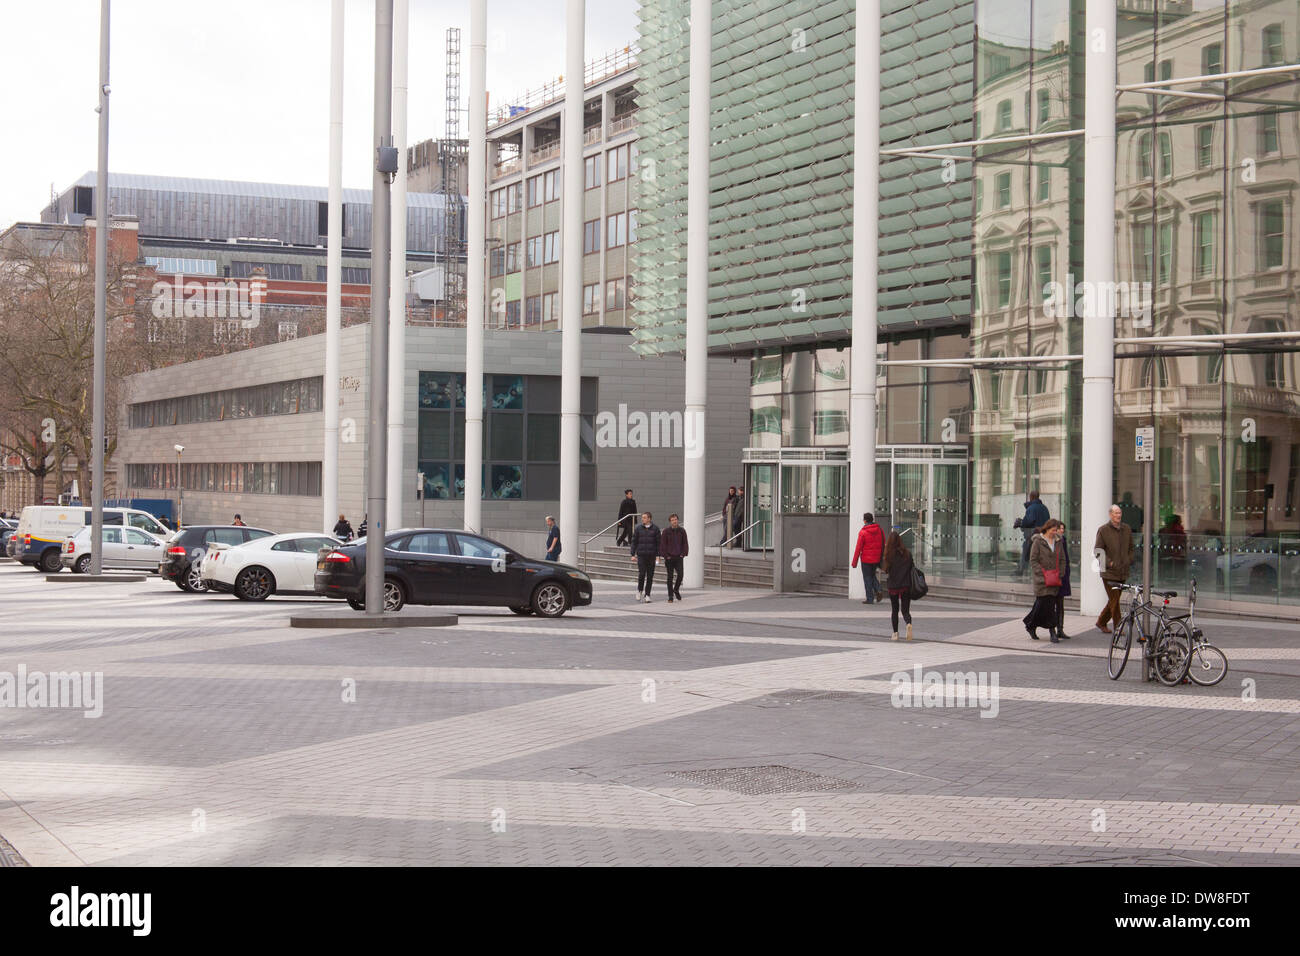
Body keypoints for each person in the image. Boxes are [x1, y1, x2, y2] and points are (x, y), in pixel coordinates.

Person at [1025, 518, 1066, 643]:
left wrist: (1061, 573)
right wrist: (1041, 574)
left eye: (1056, 530)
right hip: (1042, 580)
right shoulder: (1038, 541)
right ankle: (1051, 631)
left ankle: (1030, 624)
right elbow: (1033, 560)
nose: (1055, 532)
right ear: (1047, 529)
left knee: (1045, 606)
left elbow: (1063, 559)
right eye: (1053, 530)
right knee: (1045, 605)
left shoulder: (1058, 542)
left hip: (1054, 579)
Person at [1094, 504, 1133, 633]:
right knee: (1115, 601)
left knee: (1113, 599)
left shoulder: (1126, 529)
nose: (1118, 515)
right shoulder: (1103, 530)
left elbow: (1131, 547)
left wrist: (1129, 559)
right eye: (1116, 513)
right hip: (1109, 572)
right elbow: (1098, 551)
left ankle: (1101, 622)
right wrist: (1109, 563)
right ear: (1110, 515)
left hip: (1122, 571)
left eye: (1120, 513)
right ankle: (1118, 626)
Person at [882, 530, 915, 641]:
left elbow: (886, 569)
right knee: (905, 610)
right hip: (905, 585)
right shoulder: (907, 554)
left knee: (894, 610)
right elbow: (912, 567)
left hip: (893, 586)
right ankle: (908, 623)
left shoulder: (888, 555)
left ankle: (895, 633)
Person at [850, 512, 885, 604]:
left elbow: (858, 548)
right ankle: (878, 589)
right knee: (872, 575)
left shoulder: (863, 532)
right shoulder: (880, 530)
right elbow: (883, 543)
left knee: (867, 577)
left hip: (866, 559)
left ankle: (870, 598)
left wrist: (854, 562)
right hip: (876, 558)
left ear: (864, 520)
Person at [629, 511, 661, 603]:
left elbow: (659, 544)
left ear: (649, 519)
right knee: (642, 574)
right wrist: (632, 554)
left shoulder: (655, 529)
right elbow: (634, 542)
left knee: (650, 576)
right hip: (641, 555)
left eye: (644, 517)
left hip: (652, 556)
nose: (642, 519)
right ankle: (639, 590)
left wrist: (658, 556)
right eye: (642, 517)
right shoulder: (638, 528)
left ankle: (647, 595)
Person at [1015, 490, 1049, 575]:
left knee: (1026, 553)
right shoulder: (1044, 508)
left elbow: (1028, 522)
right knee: (1040, 555)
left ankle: (1021, 570)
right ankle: (1041, 572)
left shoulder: (1031, 508)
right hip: (1043, 536)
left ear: (1031, 497)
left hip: (1032, 536)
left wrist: (1021, 523)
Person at [660, 513, 688, 602]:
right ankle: (670, 596)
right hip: (669, 557)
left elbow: (685, 543)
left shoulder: (682, 531)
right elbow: (662, 545)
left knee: (680, 575)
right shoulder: (666, 531)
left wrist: (683, 554)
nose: (674, 521)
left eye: (675, 519)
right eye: (672, 520)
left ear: (677, 520)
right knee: (670, 577)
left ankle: (676, 589)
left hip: (679, 557)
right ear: (670, 522)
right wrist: (666, 556)